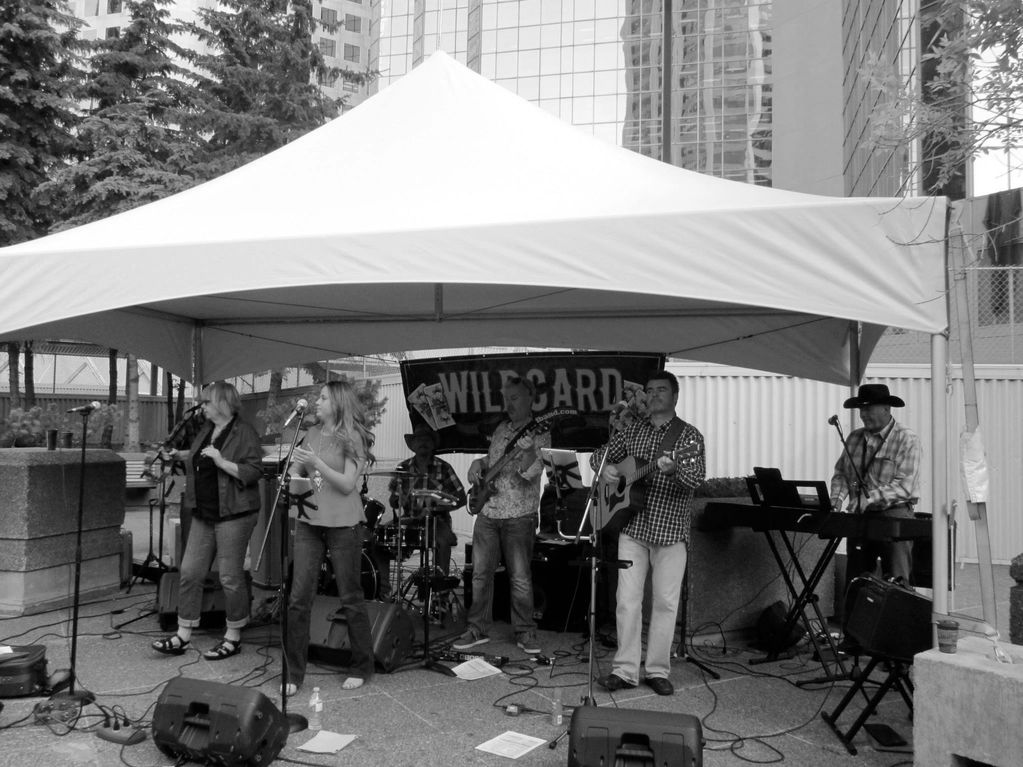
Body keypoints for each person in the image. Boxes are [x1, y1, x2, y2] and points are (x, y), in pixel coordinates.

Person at [590, 371, 706, 697]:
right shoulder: (632, 431)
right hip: (633, 527)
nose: (655, 395)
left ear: (675, 397)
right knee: (627, 601)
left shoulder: (689, 437)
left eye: (662, 390)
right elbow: (599, 456)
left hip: (670, 530)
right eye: (651, 390)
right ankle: (625, 671)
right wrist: (609, 468)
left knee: (666, 604)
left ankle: (656, 669)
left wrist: (676, 469)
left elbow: (695, 478)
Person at [151, 382, 263, 660]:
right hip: (203, 511)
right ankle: (183, 633)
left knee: (229, 577)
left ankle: (233, 635)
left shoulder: (244, 432)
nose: (202, 407)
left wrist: (222, 461)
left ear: (223, 404)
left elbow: (254, 470)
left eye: (207, 402)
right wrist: (178, 455)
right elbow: (200, 454)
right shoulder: (206, 429)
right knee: (189, 572)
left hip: (234, 514)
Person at [284, 380, 377, 695]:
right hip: (310, 520)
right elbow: (298, 471)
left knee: (350, 595)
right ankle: (294, 672)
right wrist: (293, 472)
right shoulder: (310, 433)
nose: (317, 401)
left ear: (338, 402)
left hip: (344, 523)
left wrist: (316, 464)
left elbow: (348, 484)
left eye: (323, 397)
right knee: (298, 598)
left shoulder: (353, 436)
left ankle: (362, 666)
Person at [453, 376, 549, 655]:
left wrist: (530, 449)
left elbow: (530, 472)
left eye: (515, 398)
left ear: (531, 398)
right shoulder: (500, 429)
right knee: (480, 575)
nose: (509, 404)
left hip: (520, 514)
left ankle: (525, 631)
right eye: (506, 398)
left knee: (519, 577)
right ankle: (476, 628)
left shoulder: (540, 433)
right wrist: (477, 462)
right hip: (488, 511)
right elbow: (492, 461)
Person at [830, 383, 921, 588]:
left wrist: (868, 498)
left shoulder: (907, 439)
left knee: (897, 583)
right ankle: (854, 619)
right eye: (861, 409)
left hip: (894, 517)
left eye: (868, 408)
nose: (863, 414)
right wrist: (836, 499)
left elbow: (905, 486)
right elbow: (841, 474)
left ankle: (896, 619)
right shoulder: (854, 437)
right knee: (856, 578)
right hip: (861, 519)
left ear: (886, 409)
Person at [386, 423, 466, 575]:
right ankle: (384, 589)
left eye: (427, 440)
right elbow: (392, 500)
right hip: (409, 519)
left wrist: (438, 506)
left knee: (442, 542)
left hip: (438, 521)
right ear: (413, 445)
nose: (423, 443)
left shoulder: (444, 468)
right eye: (419, 440)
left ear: (432, 444)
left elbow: (461, 499)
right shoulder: (403, 468)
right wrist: (398, 500)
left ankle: (440, 590)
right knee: (381, 539)